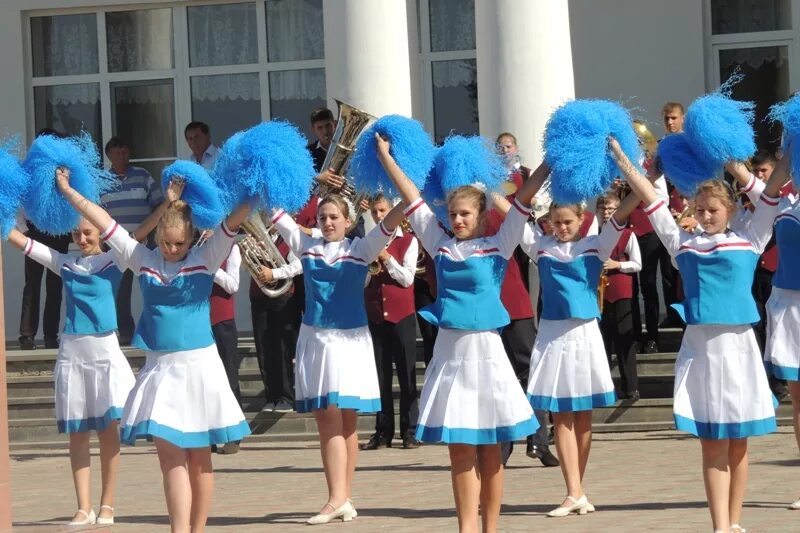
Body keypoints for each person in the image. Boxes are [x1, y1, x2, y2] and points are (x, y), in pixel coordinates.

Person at [57, 168, 252, 533]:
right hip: (160, 370)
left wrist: (256, 189)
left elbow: (233, 221)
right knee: (169, 457)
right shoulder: (142, 260)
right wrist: (69, 192)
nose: (172, 249)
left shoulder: (206, 258)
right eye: (166, 242)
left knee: (198, 459)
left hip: (200, 369)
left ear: (191, 238)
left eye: (179, 243)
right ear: (159, 235)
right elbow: (104, 221)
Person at [610, 137, 788, 533]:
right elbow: (651, 201)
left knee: (739, 442)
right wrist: (624, 160)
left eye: (713, 210)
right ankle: (719, 525)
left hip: (740, 349)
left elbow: (773, 188)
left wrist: (787, 144)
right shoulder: (682, 244)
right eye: (701, 210)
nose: (706, 216)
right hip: (701, 350)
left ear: (730, 210)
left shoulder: (751, 237)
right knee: (711, 441)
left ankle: (736, 521)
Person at [376, 134, 543, 533]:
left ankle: (491, 526)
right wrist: (385, 159)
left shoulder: (499, 244)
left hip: (487, 352)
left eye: (466, 214)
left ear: (483, 215)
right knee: (460, 447)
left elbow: (524, 199)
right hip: (451, 353)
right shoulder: (441, 246)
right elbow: (413, 199)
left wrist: (552, 159)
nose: (459, 221)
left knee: (491, 446)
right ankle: (466, 526)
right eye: (453, 215)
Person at [270, 191, 406, 524]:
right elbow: (275, 212)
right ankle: (340, 497)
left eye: (334, 217)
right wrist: (261, 174)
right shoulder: (306, 246)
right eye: (322, 217)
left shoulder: (361, 249)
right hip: (317, 339)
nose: (328, 222)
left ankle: (337, 498)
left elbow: (388, 223)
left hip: (350, 340)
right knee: (329, 420)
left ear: (348, 221)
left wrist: (409, 194)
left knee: (344, 422)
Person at [6, 217, 137, 526]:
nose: (81, 239)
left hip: (104, 352)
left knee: (108, 431)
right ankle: (83, 507)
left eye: (87, 233)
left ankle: (107, 504)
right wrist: (4, 220)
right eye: (77, 233)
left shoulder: (115, 259)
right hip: (73, 352)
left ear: (101, 233)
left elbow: (138, 235)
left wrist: (168, 205)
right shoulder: (65, 263)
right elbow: (27, 245)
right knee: (77, 433)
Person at [522, 188, 639, 517]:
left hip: (585, 333)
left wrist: (644, 178)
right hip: (552, 333)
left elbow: (623, 212)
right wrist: (489, 182)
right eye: (555, 222)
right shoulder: (540, 246)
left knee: (584, 417)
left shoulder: (596, 244)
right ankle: (573, 491)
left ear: (581, 219)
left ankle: (578, 489)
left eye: (568, 221)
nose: (561, 227)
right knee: (560, 414)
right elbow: (514, 213)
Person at [360, 194, 420, 451]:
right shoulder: (366, 243)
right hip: (375, 317)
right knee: (379, 377)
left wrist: (386, 258)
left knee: (407, 376)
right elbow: (362, 283)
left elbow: (407, 279)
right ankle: (382, 431)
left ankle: (410, 431)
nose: (379, 216)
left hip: (402, 316)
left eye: (383, 210)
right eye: (375, 212)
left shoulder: (408, 241)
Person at [101, 136, 163, 345]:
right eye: (117, 152)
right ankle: (126, 334)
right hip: (117, 245)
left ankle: (155, 329)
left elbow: (159, 205)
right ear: (109, 155)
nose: (122, 155)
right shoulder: (102, 182)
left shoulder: (143, 175)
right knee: (120, 292)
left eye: (125, 151)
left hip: (145, 243)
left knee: (152, 286)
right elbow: (97, 214)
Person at [18, 128, 71, 350]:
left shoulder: (65, 170)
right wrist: (23, 231)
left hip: (58, 232)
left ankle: (51, 335)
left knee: (55, 284)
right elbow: (19, 200)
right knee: (32, 283)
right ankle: (27, 335)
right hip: (35, 231)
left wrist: (71, 229)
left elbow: (71, 198)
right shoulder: (29, 170)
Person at [596, 192, 642, 400]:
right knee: (601, 343)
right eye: (602, 209)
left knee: (625, 342)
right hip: (598, 294)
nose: (606, 213)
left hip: (621, 292)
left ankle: (630, 387)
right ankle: (603, 389)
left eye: (610, 209)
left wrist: (618, 265)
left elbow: (637, 264)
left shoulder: (628, 234)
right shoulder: (591, 236)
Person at [209, 240, 243, 455]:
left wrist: (212, 269)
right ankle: (207, 435)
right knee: (205, 382)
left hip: (223, 320)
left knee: (229, 377)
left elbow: (233, 285)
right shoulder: (193, 250)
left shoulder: (231, 247)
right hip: (199, 320)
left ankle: (234, 435)